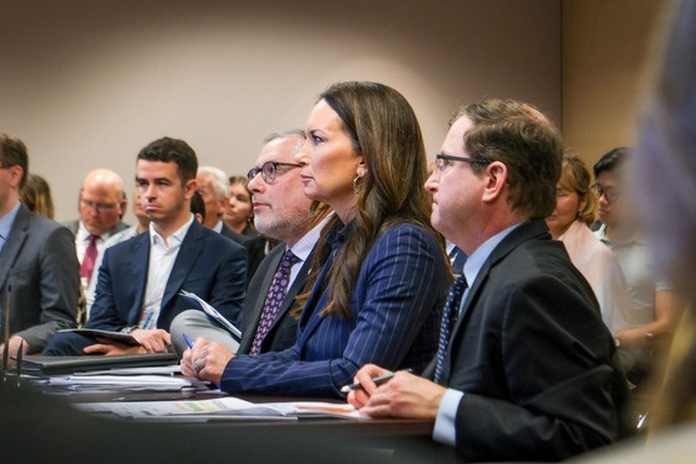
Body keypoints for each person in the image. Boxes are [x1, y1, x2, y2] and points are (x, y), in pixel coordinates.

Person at [347, 99, 634, 462]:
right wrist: (398, 387)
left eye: (445, 164)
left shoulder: (535, 284)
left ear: (493, 181)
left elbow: (584, 438)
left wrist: (441, 405)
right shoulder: (496, 270)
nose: (430, 182)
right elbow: (483, 389)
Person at [181, 81, 449, 398]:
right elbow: (303, 354)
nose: (302, 155)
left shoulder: (404, 244)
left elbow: (355, 373)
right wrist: (223, 364)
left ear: (364, 159)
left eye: (317, 140)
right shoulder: (342, 237)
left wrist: (234, 369)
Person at [43, 137, 248, 356]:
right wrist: (133, 335)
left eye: (162, 183)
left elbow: (218, 333)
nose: (149, 194)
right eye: (142, 183)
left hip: (179, 357)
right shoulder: (117, 254)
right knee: (62, 343)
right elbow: (100, 322)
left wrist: (144, 351)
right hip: (120, 347)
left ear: (189, 189)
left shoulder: (224, 253)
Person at [171, 129, 332, 355]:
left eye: (271, 170)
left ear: (310, 173)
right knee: (186, 322)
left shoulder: (342, 253)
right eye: (254, 173)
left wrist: (233, 367)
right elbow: (250, 348)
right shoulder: (272, 262)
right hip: (251, 376)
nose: (253, 185)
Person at [593, 147, 683, 387]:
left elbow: (667, 328)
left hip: (635, 376)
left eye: (611, 193)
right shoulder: (588, 242)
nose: (601, 200)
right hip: (590, 367)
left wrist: (613, 340)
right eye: (599, 190)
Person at [0, 134, 80, 367]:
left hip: (14, 374)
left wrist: (22, 341)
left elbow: (61, 321)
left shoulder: (50, 237)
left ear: (14, 174)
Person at [545, 154, 632, 336]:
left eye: (560, 194)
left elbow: (610, 331)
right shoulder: (535, 243)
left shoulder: (598, 255)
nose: (550, 202)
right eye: (544, 191)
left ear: (582, 201)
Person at [64, 168, 129, 317]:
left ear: (121, 206)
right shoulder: (59, 235)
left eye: (103, 206)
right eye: (88, 203)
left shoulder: (131, 244)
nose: (93, 213)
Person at [83, 187, 151, 319]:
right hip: (114, 326)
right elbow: (94, 302)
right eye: (141, 184)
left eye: (160, 183)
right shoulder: (114, 245)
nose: (142, 195)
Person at [197, 166, 265, 281]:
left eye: (240, 199)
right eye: (229, 195)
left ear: (251, 210)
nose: (231, 203)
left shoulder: (250, 247)